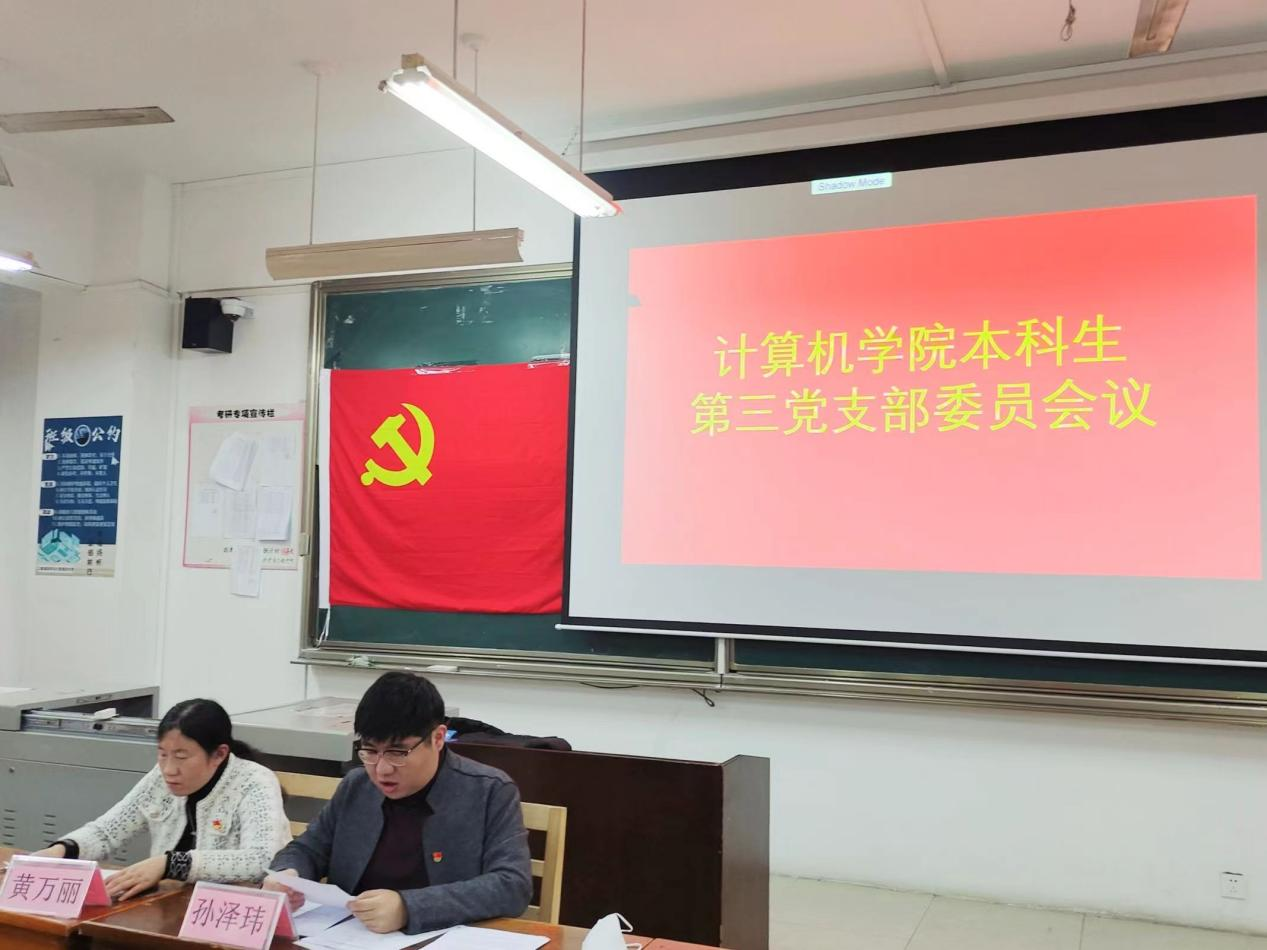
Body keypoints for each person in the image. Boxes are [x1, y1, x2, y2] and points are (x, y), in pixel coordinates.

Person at [267, 672, 531, 935]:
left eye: (397, 752)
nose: (382, 769)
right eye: (370, 750)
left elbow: (512, 886)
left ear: (438, 738)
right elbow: (308, 849)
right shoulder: (357, 786)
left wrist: (409, 908)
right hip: (348, 937)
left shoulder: (488, 790)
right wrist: (288, 874)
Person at [34, 698, 291, 900]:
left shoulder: (254, 781)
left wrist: (170, 864)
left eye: (181, 756)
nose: (168, 769)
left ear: (219, 754)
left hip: (229, 914)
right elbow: (108, 831)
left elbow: (260, 860)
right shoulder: (161, 777)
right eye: (162, 754)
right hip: (169, 903)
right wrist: (60, 851)